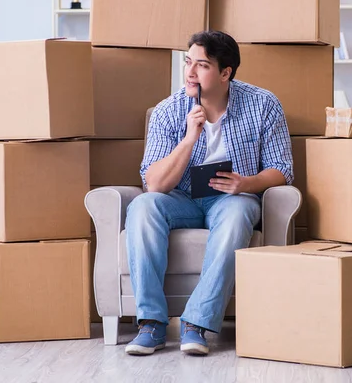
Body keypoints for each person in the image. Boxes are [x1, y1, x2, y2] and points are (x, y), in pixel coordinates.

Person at [124, 30, 293, 356]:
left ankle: (197, 324)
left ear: (225, 72)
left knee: (239, 213)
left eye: (201, 65)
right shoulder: (168, 111)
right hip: (180, 198)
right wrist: (189, 138)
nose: (189, 72)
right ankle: (152, 324)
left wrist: (246, 184)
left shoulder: (263, 104)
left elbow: (282, 169)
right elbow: (155, 184)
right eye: (188, 62)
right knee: (143, 206)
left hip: (232, 197)